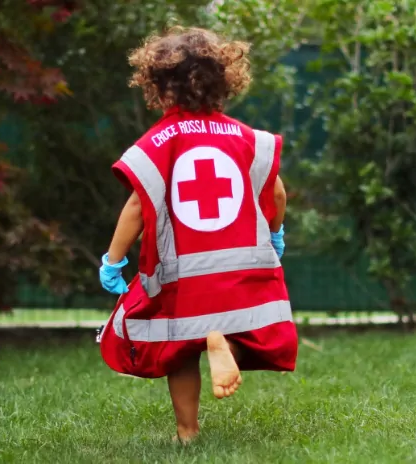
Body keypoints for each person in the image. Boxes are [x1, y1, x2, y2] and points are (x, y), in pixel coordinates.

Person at [98, 26, 298, 444]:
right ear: (222, 82)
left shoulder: (159, 141)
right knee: (243, 330)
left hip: (183, 272)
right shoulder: (247, 138)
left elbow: (137, 206)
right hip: (241, 266)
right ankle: (221, 344)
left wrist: (113, 259)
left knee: (179, 347)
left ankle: (187, 432)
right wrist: (275, 234)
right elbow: (276, 191)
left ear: (160, 87)